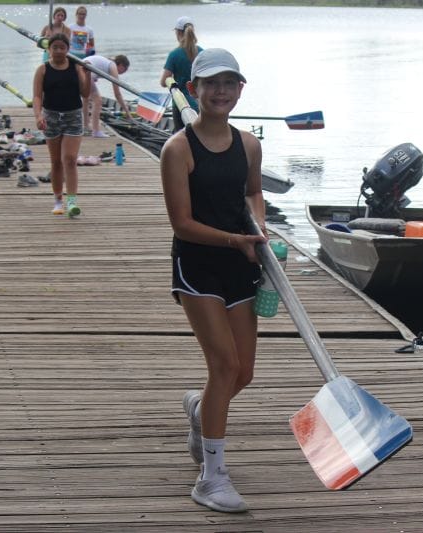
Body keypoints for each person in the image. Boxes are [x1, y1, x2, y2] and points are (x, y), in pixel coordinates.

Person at [160, 49, 266, 514]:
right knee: (224, 367)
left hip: (241, 263)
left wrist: (259, 228)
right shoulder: (178, 149)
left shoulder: (249, 144)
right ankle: (211, 477)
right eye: (210, 83)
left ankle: (202, 410)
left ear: (241, 89)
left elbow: (253, 192)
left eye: (229, 83)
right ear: (193, 90)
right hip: (199, 265)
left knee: (243, 372)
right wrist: (234, 240)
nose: (220, 91)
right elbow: (181, 223)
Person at [33, 33, 90, 218]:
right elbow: (37, 96)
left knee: (70, 159)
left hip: (73, 116)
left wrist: (87, 74)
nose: (58, 51)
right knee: (56, 162)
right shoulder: (42, 69)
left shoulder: (75, 67)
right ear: (49, 49)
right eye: (54, 47)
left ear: (68, 50)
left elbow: (85, 92)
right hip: (51, 117)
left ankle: (72, 200)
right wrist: (38, 115)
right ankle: (58, 200)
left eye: (62, 47)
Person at [159, 16, 202, 132]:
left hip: (180, 104)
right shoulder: (202, 52)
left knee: (181, 137)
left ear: (178, 33)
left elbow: (163, 82)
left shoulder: (174, 55)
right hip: (200, 103)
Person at [82, 54, 131, 138]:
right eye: (125, 69)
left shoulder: (107, 62)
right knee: (98, 101)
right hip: (85, 71)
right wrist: (127, 112)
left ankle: (86, 127)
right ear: (121, 65)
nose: (123, 72)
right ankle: (96, 131)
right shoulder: (113, 66)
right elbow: (117, 94)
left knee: (85, 99)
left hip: (79, 70)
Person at [69, 6, 95, 130]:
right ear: (76, 14)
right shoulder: (70, 28)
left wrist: (90, 56)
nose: (82, 16)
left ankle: (85, 122)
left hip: (83, 58)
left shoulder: (89, 29)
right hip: (71, 57)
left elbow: (91, 45)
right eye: (80, 14)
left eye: (84, 14)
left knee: (83, 86)